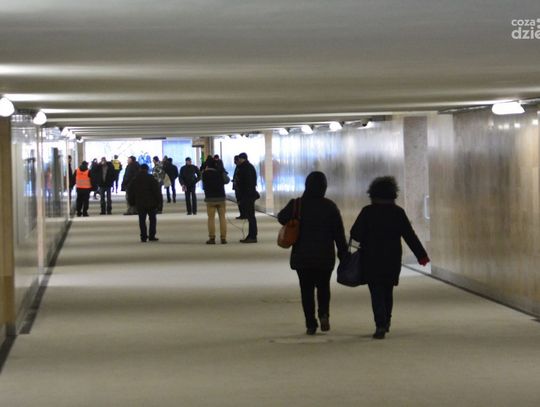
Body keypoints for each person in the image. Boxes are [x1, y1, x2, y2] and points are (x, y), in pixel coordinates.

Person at [350, 176, 430, 339]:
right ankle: (386, 321)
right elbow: (409, 236)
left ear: (372, 194)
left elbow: (355, 233)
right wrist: (421, 256)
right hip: (392, 258)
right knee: (387, 290)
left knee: (376, 291)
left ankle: (380, 324)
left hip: (371, 259)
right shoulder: (398, 212)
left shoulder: (367, 212)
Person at [278, 171, 348, 335]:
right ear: (324, 187)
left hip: (302, 256)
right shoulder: (330, 206)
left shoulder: (297, 204)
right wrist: (343, 253)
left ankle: (310, 323)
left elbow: (281, 217)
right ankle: (324, 314)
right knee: (323, 287)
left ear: (307, 185)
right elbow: (339, 233)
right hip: (325, 256)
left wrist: (294, 218)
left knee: (306, 289)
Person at [128, 164, 163, 242]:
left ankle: (143, 236)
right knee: (153, 220)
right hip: (151, 203)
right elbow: (157, 191)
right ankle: (151, 235)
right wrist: (159, 202)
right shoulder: (151, 178)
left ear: (140, 169)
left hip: (140, 203)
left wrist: (132, 202)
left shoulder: (135, 179)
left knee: (142, 220)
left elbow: (130, 191)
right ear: (147, 170)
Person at [202, 157, 227, 244]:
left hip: (210, 198)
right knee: (222, 218)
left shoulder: (204, 174)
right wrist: (222, 170)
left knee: (211, 219)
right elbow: (227, 180)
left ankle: (212, 238)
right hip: (221, 198)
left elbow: (204, 185)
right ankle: (223, 238)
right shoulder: (219, 172)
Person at [235, 152, 259, 243]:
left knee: (251, 216)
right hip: (250, 194)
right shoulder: (250, 167)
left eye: (239, 159)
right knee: (250, 216)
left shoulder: (244, 168)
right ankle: (251, 235)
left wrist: (242, 197)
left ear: (242, 159)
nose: (238, 161)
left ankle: (252, 236)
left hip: (247, 195)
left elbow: (245, 183)